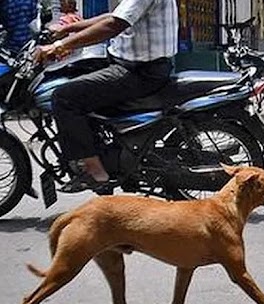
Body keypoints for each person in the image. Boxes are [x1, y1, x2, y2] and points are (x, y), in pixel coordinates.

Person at [34, 0, 178, 192]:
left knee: (64, 97)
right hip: (130, 65)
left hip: (140, 72)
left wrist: (59, 45)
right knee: (78, 78)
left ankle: (95, 173)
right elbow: (114, 16)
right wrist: (70, 28)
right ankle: (105, 153)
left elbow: (114, 24)